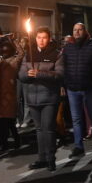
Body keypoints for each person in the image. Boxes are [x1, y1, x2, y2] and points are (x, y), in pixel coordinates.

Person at [19, 27, 64, 171]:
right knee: (39, 129)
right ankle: (41, 158)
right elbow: (21, 75)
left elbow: (59, 75)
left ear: (49, 38)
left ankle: (51, 158)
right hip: (32, 97)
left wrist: (39, 74)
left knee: (48, 128)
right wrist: (28, 75)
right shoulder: (29, 54)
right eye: (39, 37)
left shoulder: (57, 54)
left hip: (49, 97)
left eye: (44, 37)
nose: (41, 40)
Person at [62, 23, 92, 156]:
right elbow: (63, 68)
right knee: (76, 119)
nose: (77, 32)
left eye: (79, 30)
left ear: (85, 31)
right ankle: (78, 146)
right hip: (72, 89)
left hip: (89, 88)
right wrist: (63, 84)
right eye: (74, 30)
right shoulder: (68, 48)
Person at [0, 36, 24, 155]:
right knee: (3, 120)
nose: (3, 51)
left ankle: (4, 144)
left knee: (6, 120)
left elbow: (21, 53)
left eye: (6, 49)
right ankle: (13, 141)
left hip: (9, 93)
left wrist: (14, 40)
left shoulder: (14, 61)